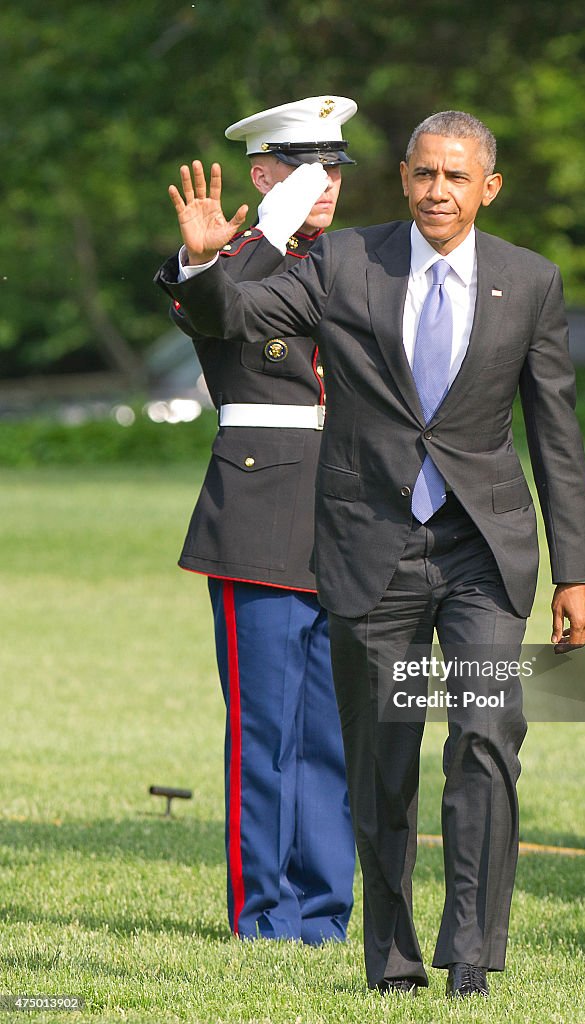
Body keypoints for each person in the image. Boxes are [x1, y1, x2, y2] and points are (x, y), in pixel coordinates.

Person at [156, 110, 585, 997]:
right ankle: (390, 960)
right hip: (374, 550)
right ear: (405, 178)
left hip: (483, 556)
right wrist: (205, 264)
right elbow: (238, 316)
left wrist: (575, 570)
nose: (439, 190)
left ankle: (471, 957)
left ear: (488, 188)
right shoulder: (348, 261)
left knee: (484, 738)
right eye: (425, 174)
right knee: (379, 759)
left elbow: (557, 432)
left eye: (457, 177)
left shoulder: (530, 280)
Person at [160, 96, 358, 945]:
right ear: (262, 174)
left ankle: (324, 912)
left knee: (335, 735)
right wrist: (233, 249)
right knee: (267, 731)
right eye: (306, 169)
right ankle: (265, 916)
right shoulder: (228, 263)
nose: (324, 186)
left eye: (335, 169)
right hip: (262, 515)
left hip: (352, 519)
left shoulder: (362, 261)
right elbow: (214, 311)